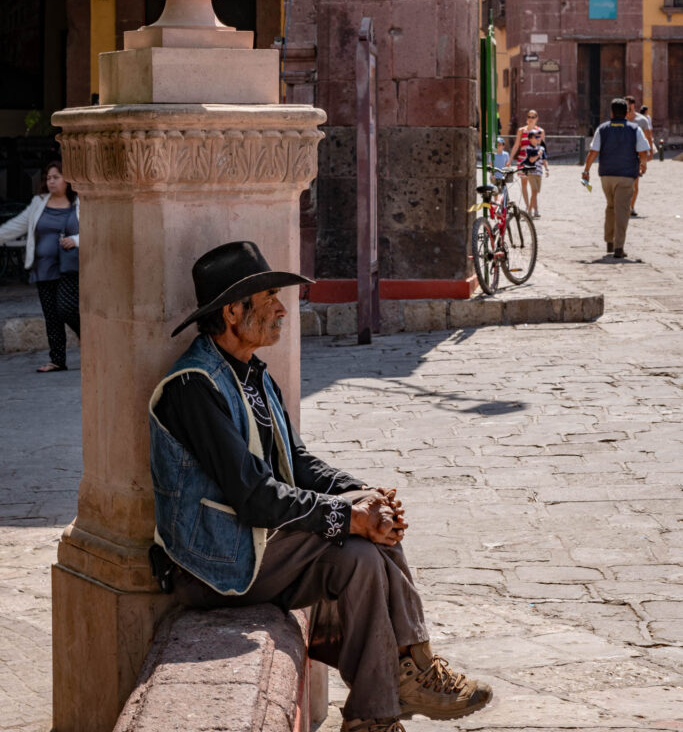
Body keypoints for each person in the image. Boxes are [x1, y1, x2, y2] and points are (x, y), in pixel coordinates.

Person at [148, 241, 493, 732]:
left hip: (257, 549)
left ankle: (375, 715)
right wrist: (350, 515)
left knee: (361, 558)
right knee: (358, 533)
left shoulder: (253, 376)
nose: (282, 309)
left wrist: (364, 495)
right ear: (231, 311)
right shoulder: (193, 386)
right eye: (269, 298)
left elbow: (300, 463)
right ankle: (412, 668)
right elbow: (252, 494)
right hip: (210, 562)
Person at [0, 160, 80, 371]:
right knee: (52, 315)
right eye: (48, 178)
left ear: (67, 180)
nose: (51, 182)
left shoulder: (80, 203)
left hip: (69, 266)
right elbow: (16, 226)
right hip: (44, 267)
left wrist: (77, 240)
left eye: (56, 177)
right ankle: (57, 360)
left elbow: (94, 228)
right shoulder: (39, 202)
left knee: (67, 309)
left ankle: (92, 344)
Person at [581, 98, 649, 259]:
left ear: (611, 112)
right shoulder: (634, 129)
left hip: (606, 175)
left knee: (611, 206)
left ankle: (609, 241)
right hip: (626, 175)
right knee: (622, 210)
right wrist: (643, 165)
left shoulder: (602, 129)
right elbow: (643, 151)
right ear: (626, 113)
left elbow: (593, 152)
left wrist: (586, 170)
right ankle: (619, 246)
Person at [509, 109, 546, 211]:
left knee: (534, 187)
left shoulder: (540, 131)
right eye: (529, 117)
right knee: (524, 184)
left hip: (534, 161)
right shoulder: (521, 130)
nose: (531, 119)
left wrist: (544, 161)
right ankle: (528, 206)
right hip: (523, 161)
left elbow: (542, 147)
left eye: (533, 117)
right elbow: (516, 145)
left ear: (537, 119)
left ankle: (534, 207)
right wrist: (510, 159)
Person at [625, 96, 654, 216]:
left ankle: (631, 207)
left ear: (633, 105)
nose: (627, 107)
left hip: (636, 156)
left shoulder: (642, 120)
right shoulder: (620, 119)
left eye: (628, 105)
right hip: (622, 155)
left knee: (634, 185)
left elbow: (648, 137)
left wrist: (650, 152)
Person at [517, 128, 549, 217]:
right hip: (531, 172)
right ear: (530, 138)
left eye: (539, 136)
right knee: (534, 191)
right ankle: (531, 211)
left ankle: (534, 210)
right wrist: (538, 154)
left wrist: (547, 169)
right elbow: (531, 160)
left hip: (539, 173)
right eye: (536, 136)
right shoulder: (529, 148)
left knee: (536, 192)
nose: (538, 138)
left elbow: (544, 159)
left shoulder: (541, 148)